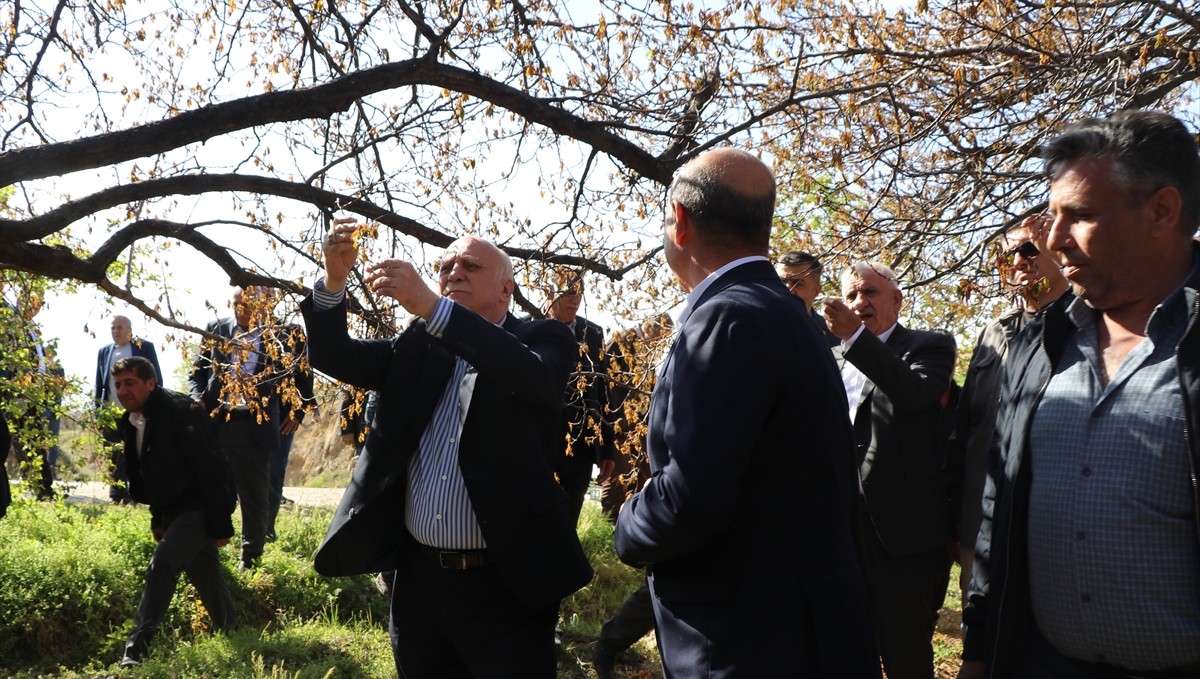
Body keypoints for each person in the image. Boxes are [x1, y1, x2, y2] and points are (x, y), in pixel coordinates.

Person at [613, 148, 879, 678]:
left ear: (681, 222)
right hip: (801, 630)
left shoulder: (725, 319)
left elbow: (691, 498)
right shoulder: (787, 314)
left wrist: (627, 523)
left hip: (741, 642)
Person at [959, 110, 1200, 678]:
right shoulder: (1041, 342)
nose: (1054, 239)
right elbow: (1000, 506)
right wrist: (979, 649)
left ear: (1163, 211)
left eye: (1081, 216)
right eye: (1053, 216)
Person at [301, 219, 592, 678]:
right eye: (445, 266)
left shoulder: (544, 338)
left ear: (506, 290)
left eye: (470, 265)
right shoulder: (418, 344)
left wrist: (434, 309)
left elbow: (534, 378)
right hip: (420, 585)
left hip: (507, 585)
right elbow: (335, 356)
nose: (453, 273)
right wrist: (334, 282)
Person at [824, 260, 957, 679]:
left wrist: (857, 338)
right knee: (844, 647)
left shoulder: (929, 346)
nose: (858, 302)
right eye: (849, 295)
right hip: (837, 531)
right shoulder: (827, 359)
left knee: (905, 654)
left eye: (869, 292)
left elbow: (914, 393)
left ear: (897, 300)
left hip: (902, 536)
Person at [947, 215, 1067, 602]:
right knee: (980, 644)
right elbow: (963, 431)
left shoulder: (1091, 325)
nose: (1016, 262)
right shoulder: (992, 332)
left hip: (1050, 534)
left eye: (1029, 249)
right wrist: (955, 521)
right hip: (979, 528)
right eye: (1006, 257)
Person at [112, 356, 237, 668]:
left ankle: (135, 654)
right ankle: (235, 633)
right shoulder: (132, 420)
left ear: (151, 383)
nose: (122, 391)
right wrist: (159, 517)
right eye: (117, 385)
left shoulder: (181, 411)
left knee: (162, 564)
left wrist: (221, 524)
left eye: (130, 383)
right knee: (206, 575)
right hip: (175, 510)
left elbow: (211, 469)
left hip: (200, 506)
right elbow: (151, 475)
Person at [188, 285, 313, 569]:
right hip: (217, 421)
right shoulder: (216, 328)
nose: (241, 311)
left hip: (255, 424)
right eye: (236, 305)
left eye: (247, 305)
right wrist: (197, 400)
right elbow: (196, 373)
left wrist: (297, 410)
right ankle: (205, 549)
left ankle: (251, 557)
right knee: (212, 487)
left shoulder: (285, 335)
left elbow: (304, 374)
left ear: (263, 306)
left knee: (255, 495)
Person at [544, 269, 615, 525]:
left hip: (581, 447)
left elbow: (603, 390)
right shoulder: (527, 329)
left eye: (579, 292)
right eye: (568, 292)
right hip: (539, 444)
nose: (575, 299)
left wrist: (608, 447)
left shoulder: (592, 334)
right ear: (548, 293)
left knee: (568, 521)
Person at [94, 314, 163, 504]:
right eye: (113, 328)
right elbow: (100, 384)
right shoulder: (104, 352)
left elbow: (155, 378)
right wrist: (98, 412)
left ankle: (139, 494)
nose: (116, 331)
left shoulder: (143, 347)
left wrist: (155, 407)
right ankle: (117, 496)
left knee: (137, 452)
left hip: (138, 411)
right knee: (114, 454)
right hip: (111, 412)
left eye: (120, 327)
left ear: (130, 330)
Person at [776, 249, 839, 346]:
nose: (788, 289)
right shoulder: (756, 327)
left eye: (797, 283)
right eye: (782, 281)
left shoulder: (833, 334)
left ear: (816, 291)